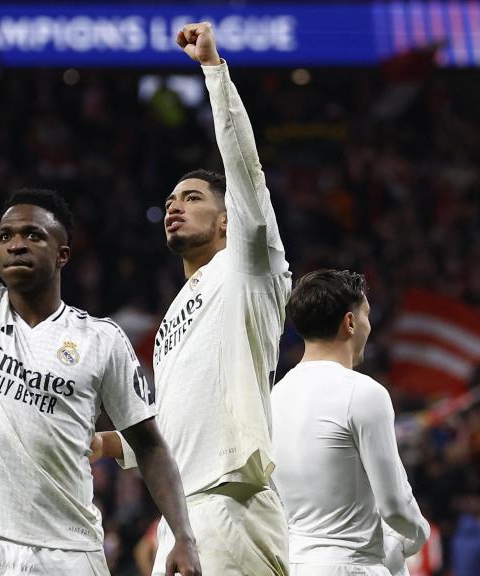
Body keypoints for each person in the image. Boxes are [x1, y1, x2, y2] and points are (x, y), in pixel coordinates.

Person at [0, 39, 200, 576]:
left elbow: (150, 446)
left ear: (62, 253)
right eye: (4, 236)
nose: (15, 243)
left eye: (32, 235)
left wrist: (182, 534)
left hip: (68, 552)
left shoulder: (102, 340)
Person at [91, 22, 291, 575]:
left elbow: (246, 173)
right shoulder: (179, 307)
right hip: (179, 521)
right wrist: (107, 444)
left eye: (193, 197)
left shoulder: (249, 268)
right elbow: (179, 422)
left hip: (233, 504)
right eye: (171, 199)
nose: (175, 206)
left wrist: (213, 72)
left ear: (229, 220)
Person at [270, 269, 430, 576]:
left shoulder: (274, 397)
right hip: (352, 565)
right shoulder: (364, 393)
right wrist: (420, 530)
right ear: (350, 322)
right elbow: (395, 508)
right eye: (366, 314)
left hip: (292, 565)